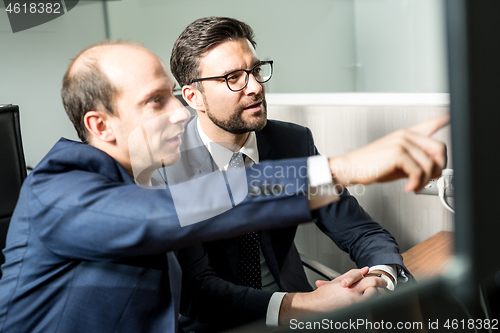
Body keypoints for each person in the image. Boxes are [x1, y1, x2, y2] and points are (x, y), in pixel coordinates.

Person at [0, 40, 446, 333]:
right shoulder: (57, 190)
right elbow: (184, 213)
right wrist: (343, 167)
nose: (178, 113)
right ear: (101, 126)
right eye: (156, 101)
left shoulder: (140, 181)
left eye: (170, 96)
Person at [164, 16, 449, 332]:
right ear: (193, 98)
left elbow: (360, 231)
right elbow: (198, 292)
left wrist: (379, 277)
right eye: (233, 78)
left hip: (295, 303)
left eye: (255, 71)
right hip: (216, 323)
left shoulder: (292, 142)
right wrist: (305, 306)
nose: (256, 87)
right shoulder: (168, 166)